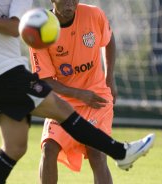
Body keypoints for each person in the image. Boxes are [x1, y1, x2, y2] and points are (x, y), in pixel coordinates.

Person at [0, 0, 155, 184]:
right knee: (64, 112)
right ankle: (121, 152)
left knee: (14, 148)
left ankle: (120, 153)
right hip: (8, 75)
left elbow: (14, 27)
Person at [29, 0, 118, 183]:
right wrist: (79, 94)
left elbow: (109, 40)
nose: (70, 3)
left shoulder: (93, 15)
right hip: (64, 101)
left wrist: (110, 77)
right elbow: (45, 79)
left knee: (96, 152)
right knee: (49, 148)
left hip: (96, 98)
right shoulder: (39, 29)